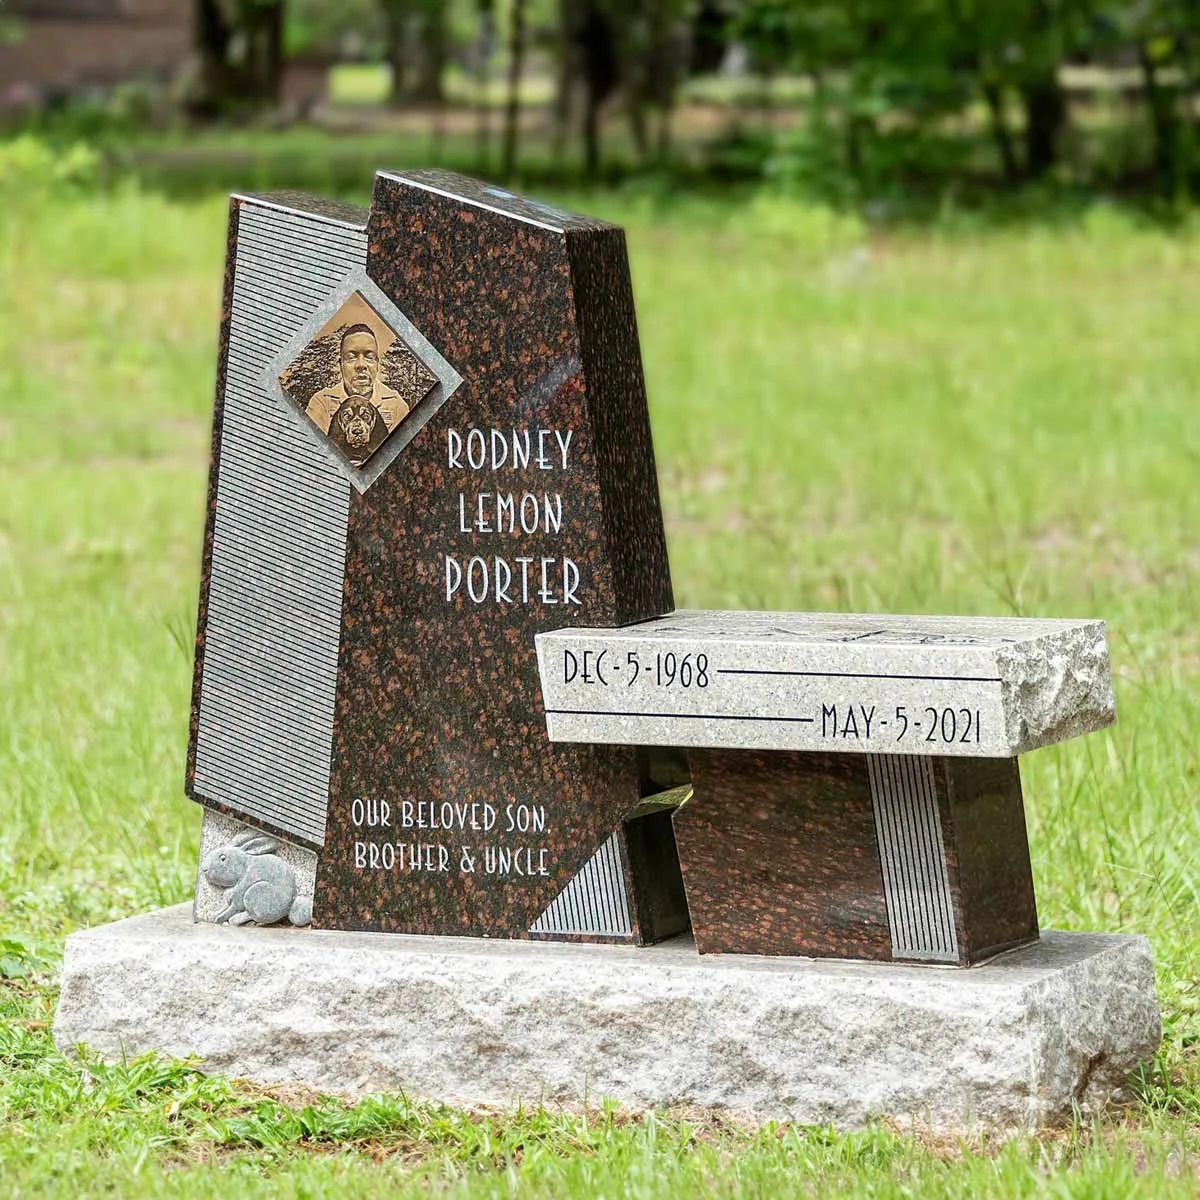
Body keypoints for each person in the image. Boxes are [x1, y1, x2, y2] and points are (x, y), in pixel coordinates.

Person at [305, 324, 409, 442]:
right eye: (351, 357)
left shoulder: (396, 404)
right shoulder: (321, 402)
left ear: (377, 364)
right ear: (341, 365)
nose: (361, 365)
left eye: (369, 357)